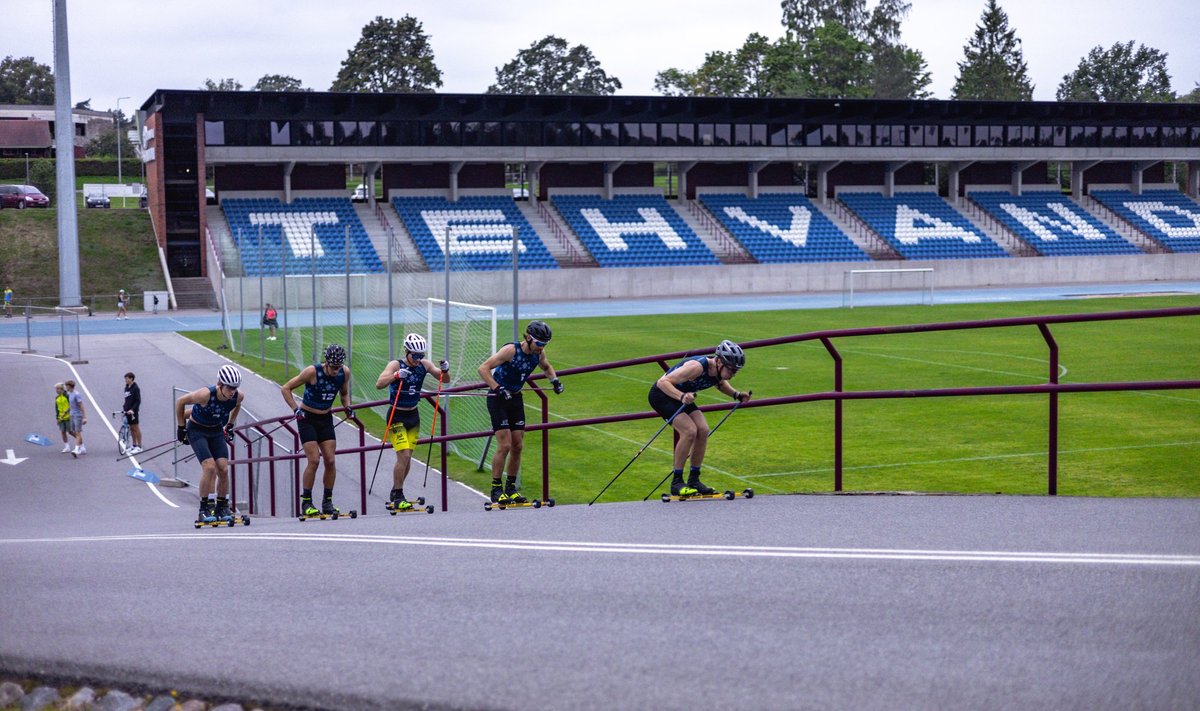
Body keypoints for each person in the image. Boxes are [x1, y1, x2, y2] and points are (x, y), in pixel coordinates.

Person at [648, 340, 751, 496]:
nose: (733, 374)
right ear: (719, 362)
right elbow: (662, 382)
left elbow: (720, 383)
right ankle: (676, 483)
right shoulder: (696, 367)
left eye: (736, 371)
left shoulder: (717, 370)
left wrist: (736, 394)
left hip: (683, 396)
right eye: (731, 370)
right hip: (662, 395)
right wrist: (681, 396)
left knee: (702, 430)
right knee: (689, 431)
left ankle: (694, 480)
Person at [477, 320, 563, 504]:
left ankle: (510, 488)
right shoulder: (511, 350)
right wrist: (498, 388)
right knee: (505, 445)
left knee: (518, 446)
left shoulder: (538, 354)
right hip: (498, 398)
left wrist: (555, 381)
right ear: (529, 338)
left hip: (515, 398)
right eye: (539, 344)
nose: (541, 348)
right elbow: (483, 369)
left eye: (545, 344)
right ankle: (495, 489)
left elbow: (546, 367)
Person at [374, 333, 449, 511]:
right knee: (404, 455)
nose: (418, 359)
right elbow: (379, 383)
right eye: (415, 356)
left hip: (413, 416)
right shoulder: (395, 364)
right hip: (396, 416)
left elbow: (444, 380)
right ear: (407, 352)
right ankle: (398, 494)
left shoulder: (424, 364)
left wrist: (445, 370)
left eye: (421, 355)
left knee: (408, 459)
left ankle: (396, 492)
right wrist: (396, 375)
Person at [281, 344, 352, 517]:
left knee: (330, 460)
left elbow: (343, 394)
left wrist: (347, 407)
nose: (336, 371)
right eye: (333, 367)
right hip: (307, 419)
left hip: (326, 419)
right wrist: (295, 409)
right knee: (314, 460)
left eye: (338, 367)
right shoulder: (312, 372)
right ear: (327, 363)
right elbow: (286, 388)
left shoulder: (344, 372)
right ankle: (306, 502)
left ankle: (327, 502)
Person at [176, 365, 245, 524]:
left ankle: (222, 506)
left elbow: (237, 406)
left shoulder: (238, 396)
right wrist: (181, 428)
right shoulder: (205, 394)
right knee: (209, 467)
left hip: (215, 431)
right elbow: (180, 402)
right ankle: (204, 509)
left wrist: (230, 425)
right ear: (220, 384)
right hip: (197, 430)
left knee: (223, 468)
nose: (232, 391)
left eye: (235, 388)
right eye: (229, 388)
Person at [64, 379, 88, 457]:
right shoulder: (69, 394)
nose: (65, 387)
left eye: (66, 386)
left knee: (77, 432)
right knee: (70, 431)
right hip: (72, 415)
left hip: (78, 415)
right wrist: (65, 412)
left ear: (70, 386)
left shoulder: (77, 394)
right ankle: (82, 447)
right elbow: (71, 405)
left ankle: (77, 449)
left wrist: (85, 417)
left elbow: (81, 405)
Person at [123, 372, 143, 453]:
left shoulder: (136, 388)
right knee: (131, 428)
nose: (125, 380)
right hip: (127, 412)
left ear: (131, 378)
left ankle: (139, 446)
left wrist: (132, 410)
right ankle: (134, 445)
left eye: (126, 378)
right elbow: (126, 400)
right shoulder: (126, 387)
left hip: (133, 412)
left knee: (136, 428)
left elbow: (138, 401)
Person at [54, 383, 71, 453]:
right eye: (56, 389)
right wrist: (57, 418)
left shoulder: (67, 396)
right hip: (61, 418)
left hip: (69, 417)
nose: (57, 390)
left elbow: (71, 405)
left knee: (71, 432)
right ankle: (67, 447)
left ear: (62, 389)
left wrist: (66, 412)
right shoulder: (57, 398)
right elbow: (57, 409)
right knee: (63, 431)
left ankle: (80, 443)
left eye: (58, 389)